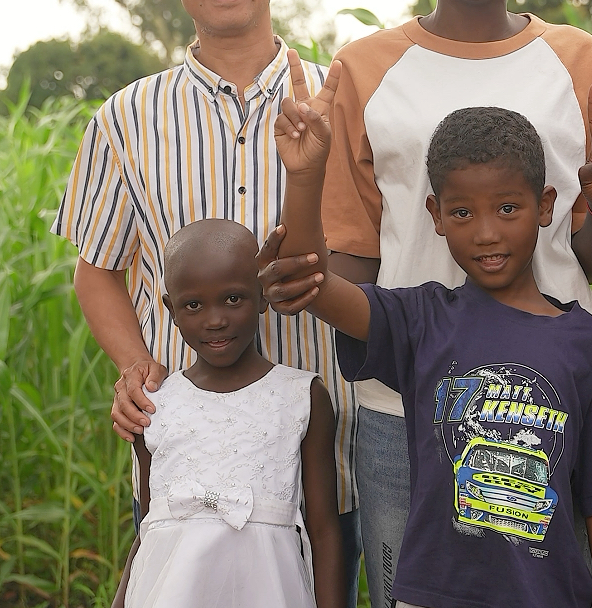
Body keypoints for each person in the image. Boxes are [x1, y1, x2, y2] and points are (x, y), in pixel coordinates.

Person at [258, 3, 592, 606]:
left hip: (558, 388)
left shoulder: (577, 57)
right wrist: (302, 187)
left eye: (508, 210)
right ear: (440, 217)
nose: (487, 232)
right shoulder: (363, 68)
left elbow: (582, 252)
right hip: (408, 395)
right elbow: (339, 273)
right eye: (462, 212)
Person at [51, 1, 361, 604]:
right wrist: (136, 366)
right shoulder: (126, 118)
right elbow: (97, 271)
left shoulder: (342, 101)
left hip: (331, 450)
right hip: (188, 473)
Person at [122, 219, 343, 607]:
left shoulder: (301, 396)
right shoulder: (154, 405)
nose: (215, 319)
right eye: (194, 305)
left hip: (269, 590)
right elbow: (148, 531)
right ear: (171, 310)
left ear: (262, 297)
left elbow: (324, 530)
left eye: (233, 299)